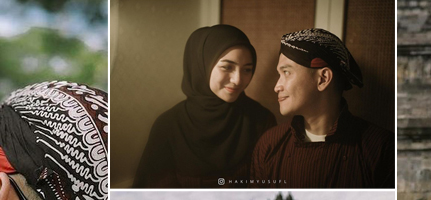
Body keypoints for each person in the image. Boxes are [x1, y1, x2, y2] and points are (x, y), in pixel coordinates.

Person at [249, 28, 393, 188]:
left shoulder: (381, 150)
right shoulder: (269, 145)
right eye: (279, 74)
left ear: (323, 79)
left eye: (287, 72)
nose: (277, 86)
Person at [134, 24, 275, 188]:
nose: (238, 79)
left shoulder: (262, 120)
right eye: (227, 67)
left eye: (247, 69)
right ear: (201, 65)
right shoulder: (168, 125)